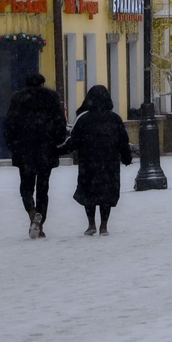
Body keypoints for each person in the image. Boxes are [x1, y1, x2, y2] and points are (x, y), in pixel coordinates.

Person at [58, 84, 133, 236]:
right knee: (106, 193)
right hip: (109, 162)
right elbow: (122, 141)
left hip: (89, 161)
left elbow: (74, 141)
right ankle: (104, 226)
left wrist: (58, 151)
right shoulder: (114, 118)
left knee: (89, 193)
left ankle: (91, 224)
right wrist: (126, 157)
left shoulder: (84, 119)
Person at [3, 72, 67, 240]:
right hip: (46, 149)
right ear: (42, 83)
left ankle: (32, 211)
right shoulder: (51, 98)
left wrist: (13, 145)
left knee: (26, 186)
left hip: (24, 150)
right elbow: (60, 122)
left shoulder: (18, 99)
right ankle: (40, 223)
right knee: (43, 188)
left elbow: (9, 124)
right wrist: (58, 140)